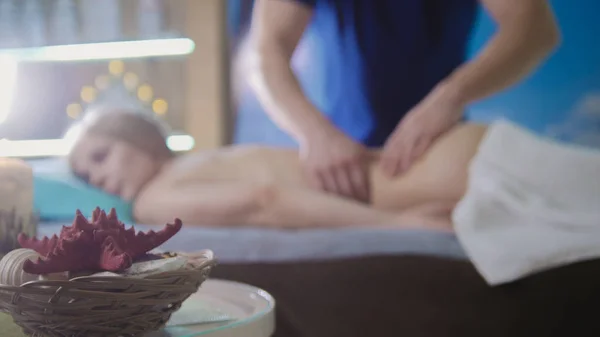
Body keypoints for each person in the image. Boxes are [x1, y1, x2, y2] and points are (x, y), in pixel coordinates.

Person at [246, 0, 560, 203]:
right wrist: (315, 134)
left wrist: (449, 97)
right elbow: (265, 53)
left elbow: (535, 28)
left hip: (435, 152)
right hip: (339, 161)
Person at [67, 108, 488, 231]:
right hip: (455, 154)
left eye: (100, 157)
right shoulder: (189, 171)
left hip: (434, 180)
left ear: (136, 137)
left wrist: (397, 224)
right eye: (88, 179)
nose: (99, 180)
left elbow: (264, 201)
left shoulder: (152, 198)